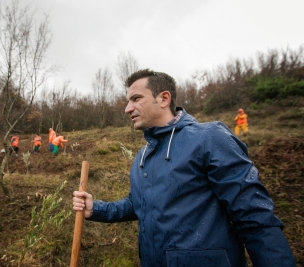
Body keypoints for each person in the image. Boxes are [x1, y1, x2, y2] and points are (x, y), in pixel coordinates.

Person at [73, 69, 296, 267]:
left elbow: (254, 217)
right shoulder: (143, 156)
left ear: (163, 98)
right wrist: (96, 209)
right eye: (128, 101)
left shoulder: (209, 138)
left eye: (136, 98)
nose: (127, 108)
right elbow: (137, 204)